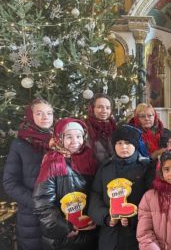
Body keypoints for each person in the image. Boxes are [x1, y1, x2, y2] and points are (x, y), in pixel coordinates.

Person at [33, 118, 97, 250]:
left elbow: (95, 192)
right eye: (69, 137)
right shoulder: (52, 163)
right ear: (59, 138)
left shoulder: (89, 158)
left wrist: (96, 217)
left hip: (89, 230)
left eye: (79, 136)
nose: (75, 141)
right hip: (64, 238)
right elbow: (43, 204)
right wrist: (66, 228)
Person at [88, 124, 154, 249]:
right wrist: (107, 217)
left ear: (135, 145)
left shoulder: (146, 167)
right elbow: (95, 195)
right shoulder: (105, 168)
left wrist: (133, 218)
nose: (123, 147)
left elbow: (152, 201)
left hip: (136, 235)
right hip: (109, 236)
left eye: (128, 143)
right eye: (119, 143)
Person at [3, 99, 54, 250]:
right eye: (39, 113)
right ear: (30, 116)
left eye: (49, 113)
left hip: (58, 213)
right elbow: (10, 183)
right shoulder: (20, 144)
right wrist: (38, 204)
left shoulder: (58, 141)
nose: (45, 117)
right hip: (31, 217)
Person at [84, 93, 116, 167]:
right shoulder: (84, 127)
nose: (104, 111)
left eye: (107, 108)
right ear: (92, 108)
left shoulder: (114, 126)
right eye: (99, 107)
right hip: (91, 171)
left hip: (113, 171)